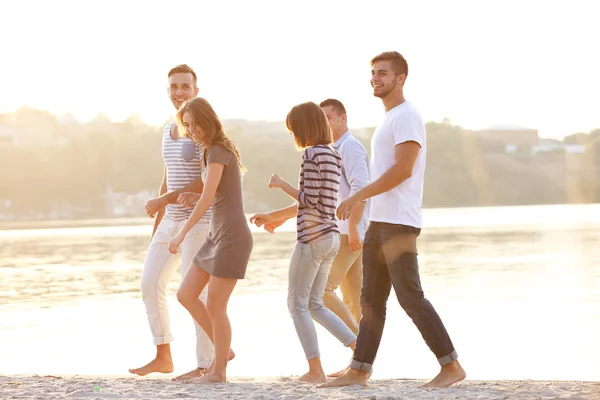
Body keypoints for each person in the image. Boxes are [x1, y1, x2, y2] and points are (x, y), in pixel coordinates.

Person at [320, 52, 466, 389]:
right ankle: (359, 370)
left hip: (400, 222)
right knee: (371, 300)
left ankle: (451, 365)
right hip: (380, 222)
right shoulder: (388, 119)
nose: (375, 78)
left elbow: (404, 169)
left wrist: (359, 195)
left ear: (400, 78)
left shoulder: (406, 116)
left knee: (410, 297)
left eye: (383, 73)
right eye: (373, 73)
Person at [250, 102, 356, 384]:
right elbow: (325, 201)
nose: (292, 135)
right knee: (315, 304)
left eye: (293, 129)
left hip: (312, 238)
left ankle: (315, 370)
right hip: (332, 235)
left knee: (297, 305)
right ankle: (360, 351)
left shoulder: (311, 153)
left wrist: (281, 184)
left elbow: (309, 200)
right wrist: (277, 217)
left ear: (303, 128)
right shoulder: (333, 153)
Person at [129, 64, 215, 380]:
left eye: (184, 86)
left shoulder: (205, 130)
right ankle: (163, 355)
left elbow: (208, 179)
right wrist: (160, 221)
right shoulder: (168, 130)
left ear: (196, 90)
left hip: (201, 221)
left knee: (196, 294)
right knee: (150, 283)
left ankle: (207, 364)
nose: (179, 92)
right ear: (168, 91)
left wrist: (163, 201)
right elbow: (168, 176)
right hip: (171, 221)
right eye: (174, 87)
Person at [169, 97, 253, 384]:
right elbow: (214, 192)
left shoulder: (218, 150)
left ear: (208, 120)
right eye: (187, 126)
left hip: (232, 236)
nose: (192, 131)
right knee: (186, 295)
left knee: (216, 306)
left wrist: (181, 233)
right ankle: (223, 350)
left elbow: (207, 198)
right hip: (217, 235)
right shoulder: (209, 152)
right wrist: (198, 196)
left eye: (195, 124)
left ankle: (218, 372)